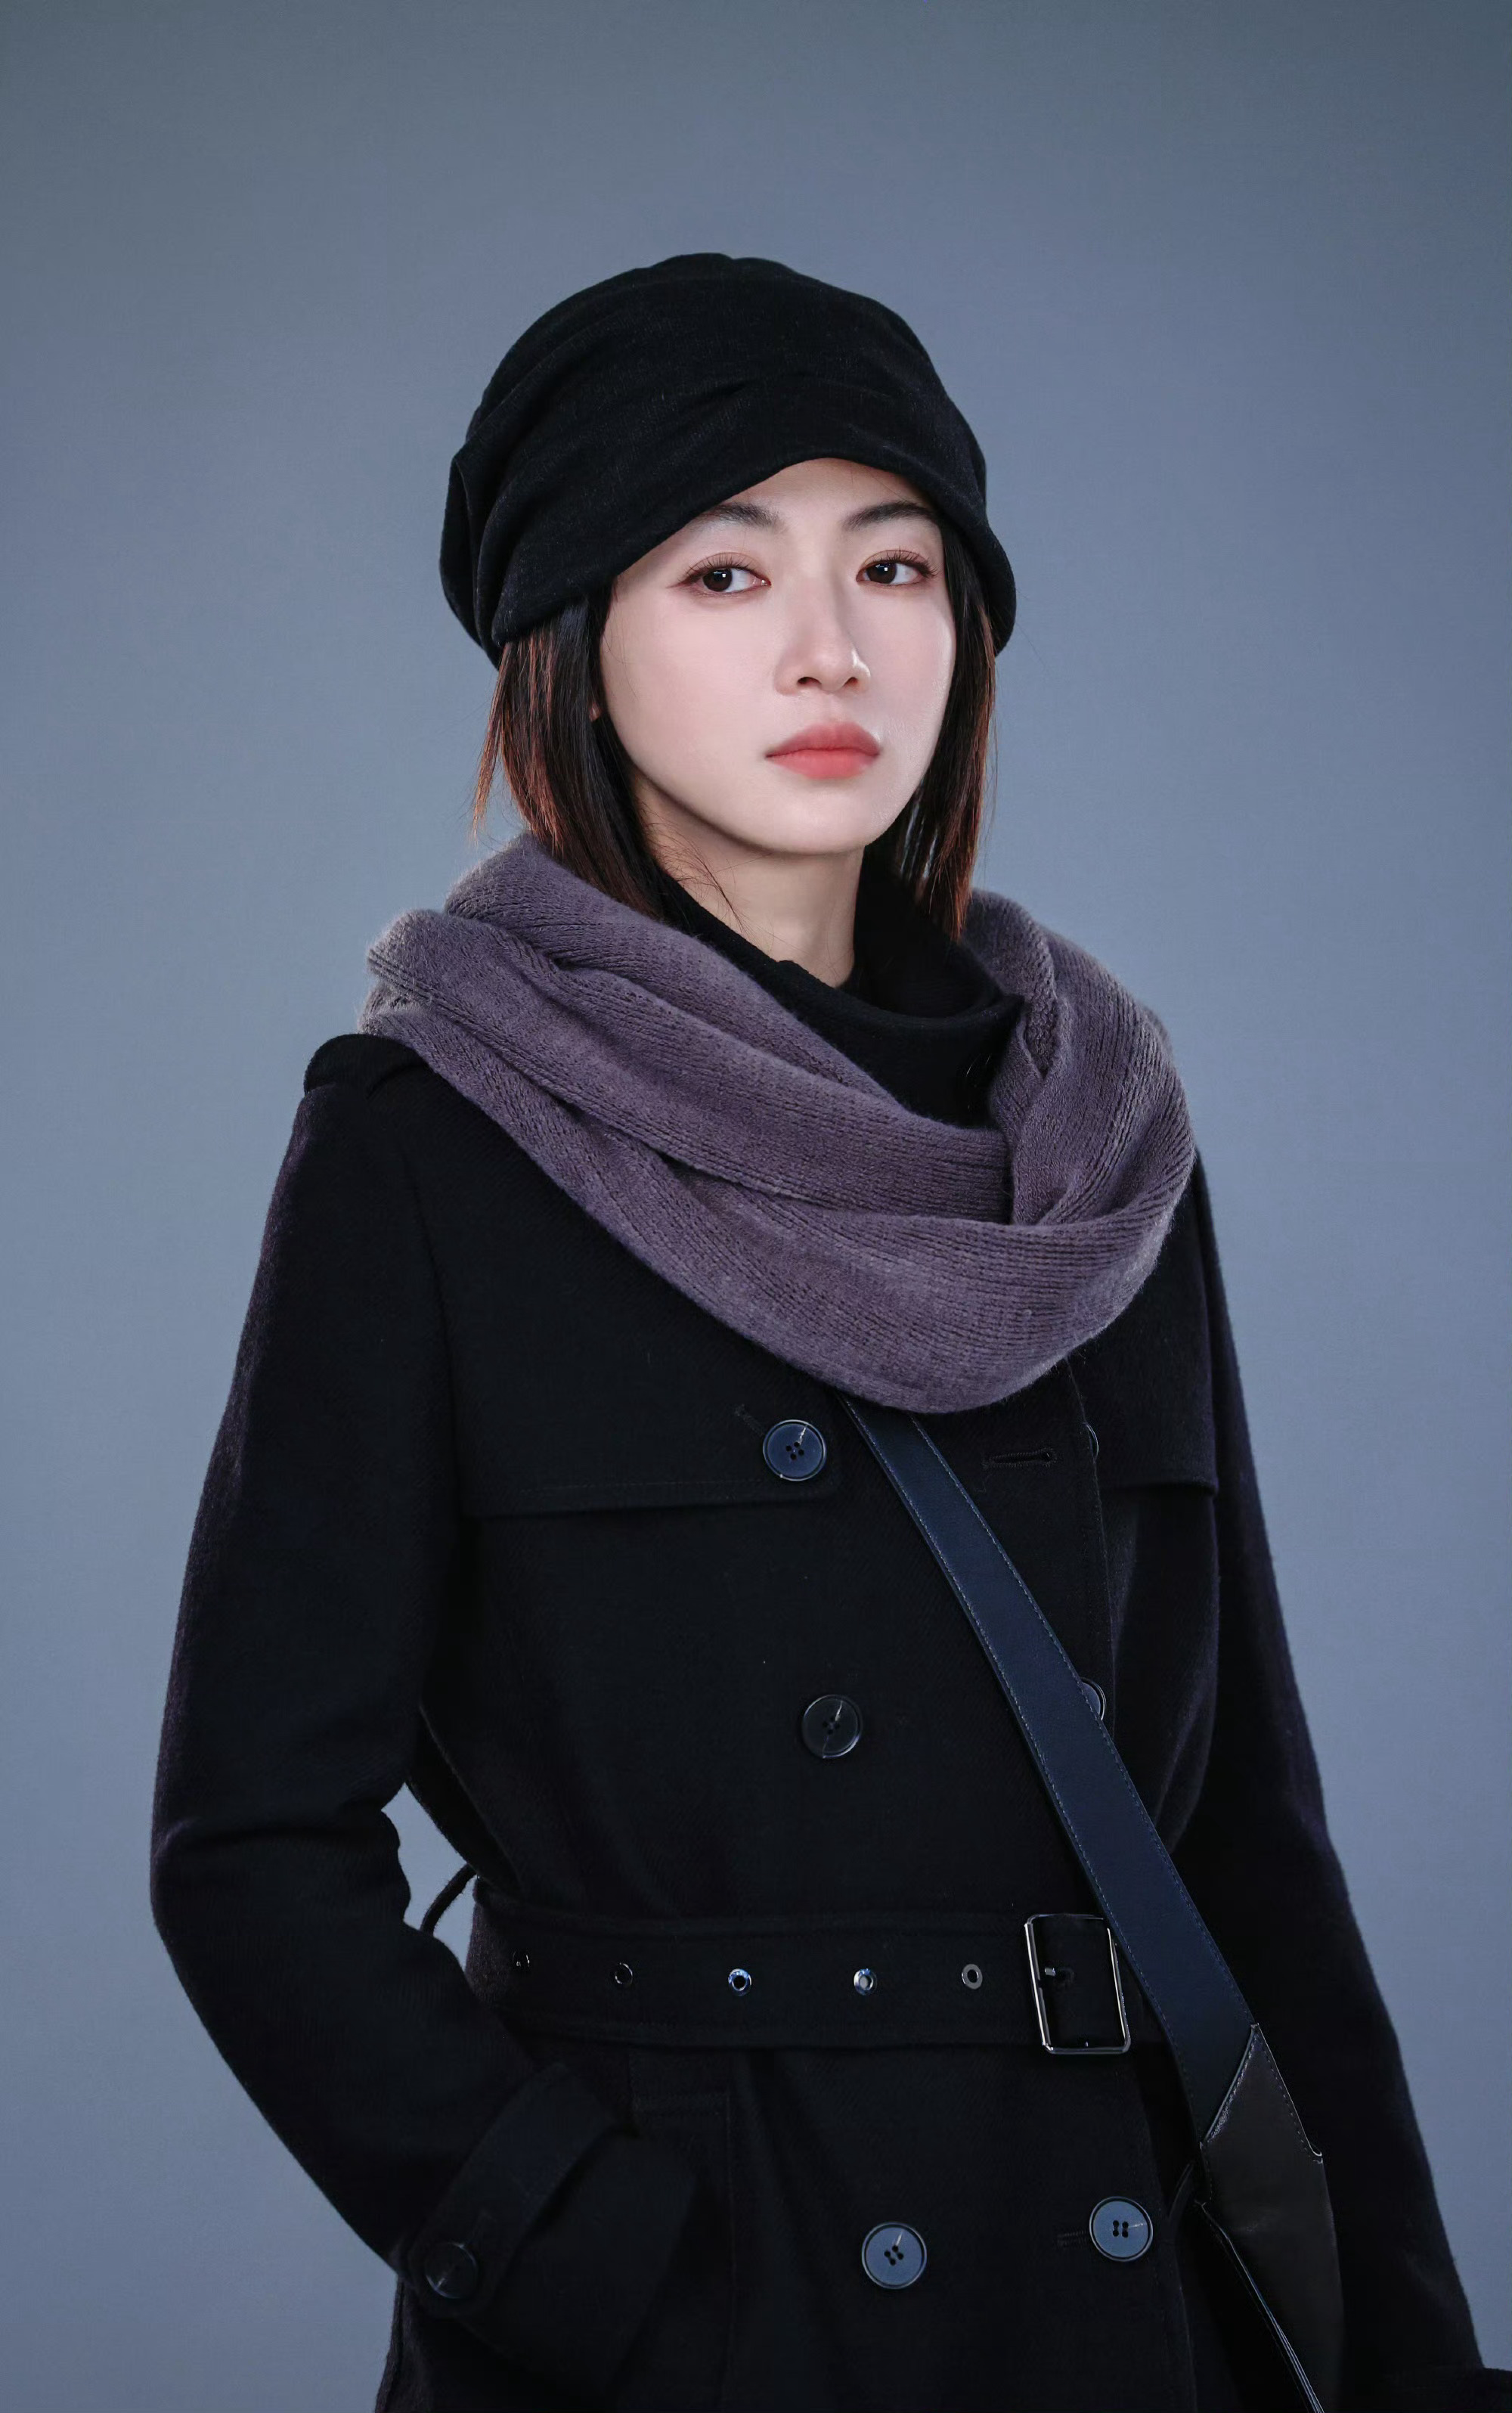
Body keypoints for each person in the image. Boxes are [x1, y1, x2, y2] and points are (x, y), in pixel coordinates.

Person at [150, 254, 1504, 2413]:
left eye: (896, 566)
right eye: (723, 571)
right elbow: (248, 1849)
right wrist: (597, 2270)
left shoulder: (1099, 1132)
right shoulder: (432, 1143)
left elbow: (1247, 1833)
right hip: (709, 2304)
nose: (831, 648)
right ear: (575, 643)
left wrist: (1404, 2355)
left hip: (1116, 2299)